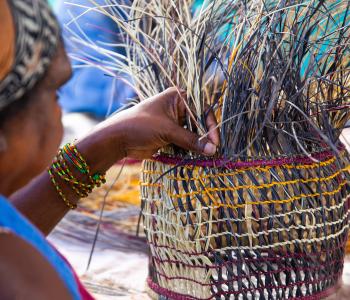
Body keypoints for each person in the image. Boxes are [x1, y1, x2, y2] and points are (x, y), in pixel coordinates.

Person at [0, 0, 219, 299]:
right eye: (55, 93)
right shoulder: (17, 278)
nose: (58, 114)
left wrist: (110, 141)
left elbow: (16, 222)